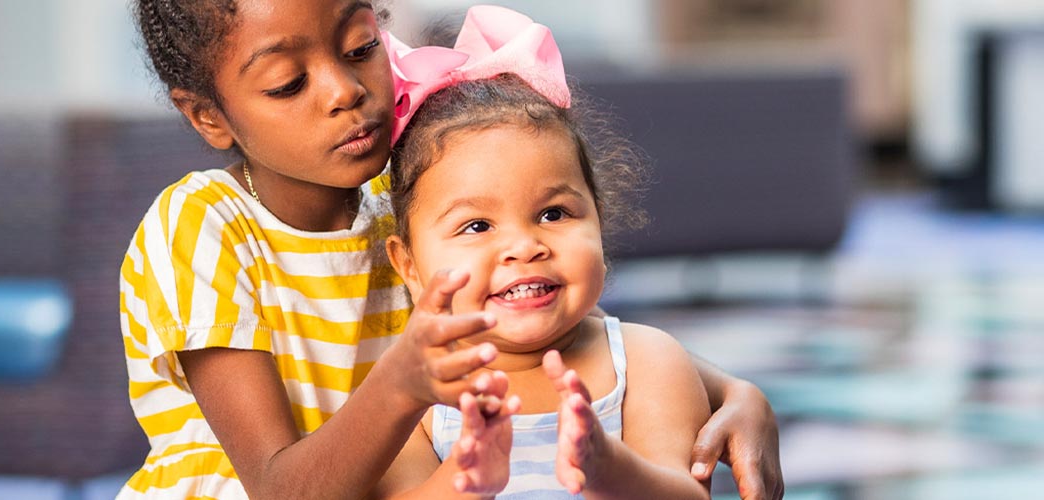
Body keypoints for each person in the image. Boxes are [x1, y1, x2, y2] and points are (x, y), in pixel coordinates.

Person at [119, 1, 783, 498]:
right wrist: (402, 385)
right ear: (208, 115)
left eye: (358, 47)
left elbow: (571, 327)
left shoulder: (404, 197)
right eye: (290, 82)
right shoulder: (205, 228)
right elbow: (277, 487)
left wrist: (733, 390)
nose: (345, 91)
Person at [372, 7, 714, 498]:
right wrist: (464, 481)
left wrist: (607, 467)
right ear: (409, 265)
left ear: (598, 215)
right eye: (476, 225)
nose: (524, 247)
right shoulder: (411, 394)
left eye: (554, 214)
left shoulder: (645, 362)